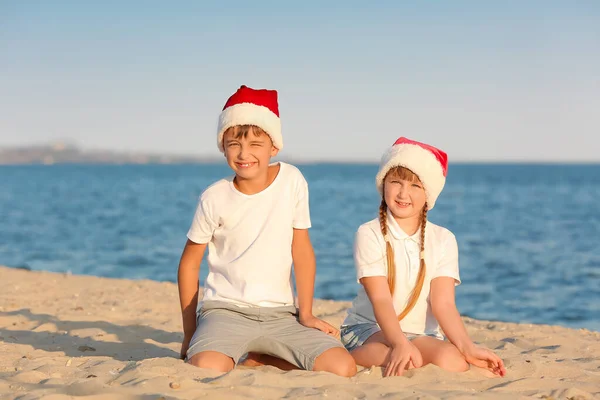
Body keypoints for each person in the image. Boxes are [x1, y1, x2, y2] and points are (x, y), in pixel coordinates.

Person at [177, 85, 356, 377]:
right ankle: (232, 350)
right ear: (223, 146)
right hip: (225, 312)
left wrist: (306, 312)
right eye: (234, 144)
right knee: (207, 368)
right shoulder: (214, 197)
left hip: (281, 315)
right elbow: (188, 263)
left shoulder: (292, 180)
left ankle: (260, 358)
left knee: (342, 367)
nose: (244, 153)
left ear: (273, 147)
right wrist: (190, 332)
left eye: (255, 145)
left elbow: (302, 250)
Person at [341, 136, 506, 377]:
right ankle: (347, 358)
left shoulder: (443, 239)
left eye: (415, 186)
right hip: (369, 328)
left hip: (421, 334)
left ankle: (408, 350)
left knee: (454, 361)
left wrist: (467, 347)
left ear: (428, 194)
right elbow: (381, 300)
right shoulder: (369, 233)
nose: (403, 193)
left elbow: (444, 304)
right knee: (409, 358)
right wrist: (399, 343)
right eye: (396, 182)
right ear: (383, 184)